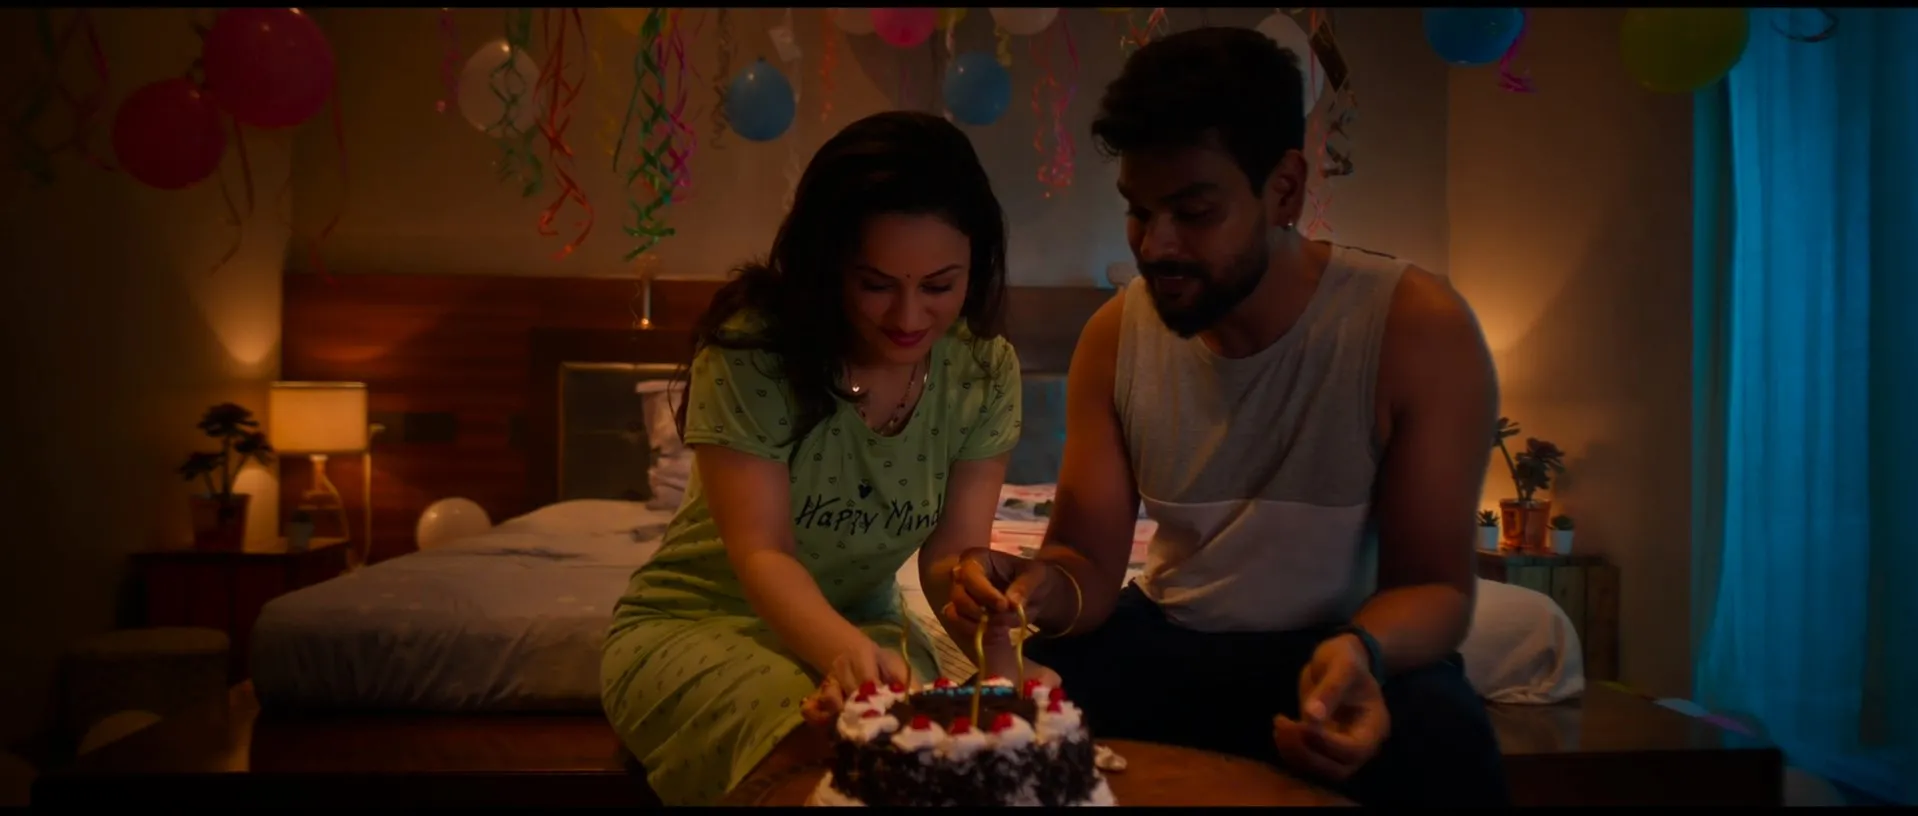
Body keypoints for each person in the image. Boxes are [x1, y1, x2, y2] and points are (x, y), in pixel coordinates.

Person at [942, 27, 1510, 807]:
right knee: (1016, 733)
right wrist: (1038, 586)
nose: (1155, 245)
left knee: (1446, 740)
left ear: (1285, 190)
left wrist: (1364, 651)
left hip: (1345, 643)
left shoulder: (1414, 330)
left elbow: (1435, 586)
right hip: (1169, 640)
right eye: (1139, 211)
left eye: (1194, 211)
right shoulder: (1115, 337)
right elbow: (1086, 565)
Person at [599, 111, 1028, 806]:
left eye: (939, 286)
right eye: (876, 284)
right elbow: (763, 553)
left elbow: (951, 557)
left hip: (867, 627)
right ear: (828, 265)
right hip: (702, 621)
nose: (908, 317)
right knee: (822, 758)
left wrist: (981, 602)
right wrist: (844, 657)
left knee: (924, 757)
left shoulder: (982, 371)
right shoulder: (755, 350)